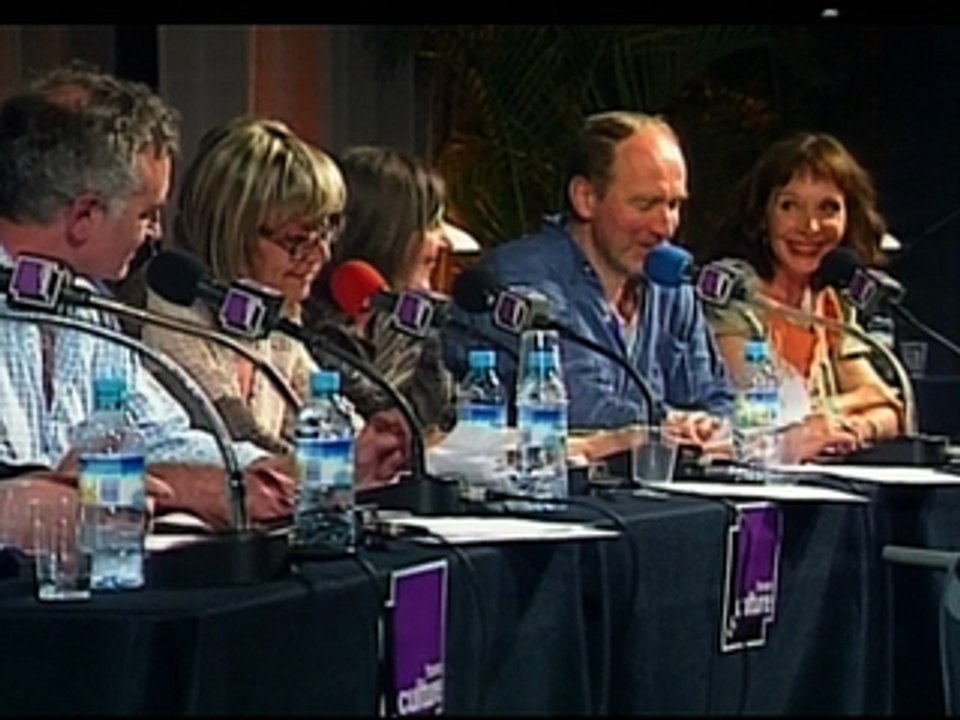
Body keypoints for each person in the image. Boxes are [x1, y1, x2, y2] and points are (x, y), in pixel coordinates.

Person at [0, 62, 301, 534]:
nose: (156, 233)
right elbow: (27, 493)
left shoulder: (89, 307)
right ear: (84, 215)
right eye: (148, 213)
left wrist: (268, 472)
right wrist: (180, 486)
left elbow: (163, 437)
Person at [443, 111, 733, 448]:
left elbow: (715, 398)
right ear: (586, 198)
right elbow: (580, 410)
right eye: (645, 204)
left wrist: (709, 425)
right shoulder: (520, 280)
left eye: (674, 204)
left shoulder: (671, 283)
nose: (664, 226)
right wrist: (671, 423)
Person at [703, 131, 904, 454]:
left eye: (828, 208)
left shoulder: (833, 301)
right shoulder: (736, 293)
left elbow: (891, 408)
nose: (810, 227)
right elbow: (774, 410)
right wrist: (855, 403)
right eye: (790, 206)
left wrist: (856, 427)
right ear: (762, 216)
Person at [303, 146, 457, 439]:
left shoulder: (404, 318)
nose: (443, 241)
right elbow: (379, 424)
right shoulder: (311, 324)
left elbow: (441, 419)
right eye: (430, 224)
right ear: (386, 234)